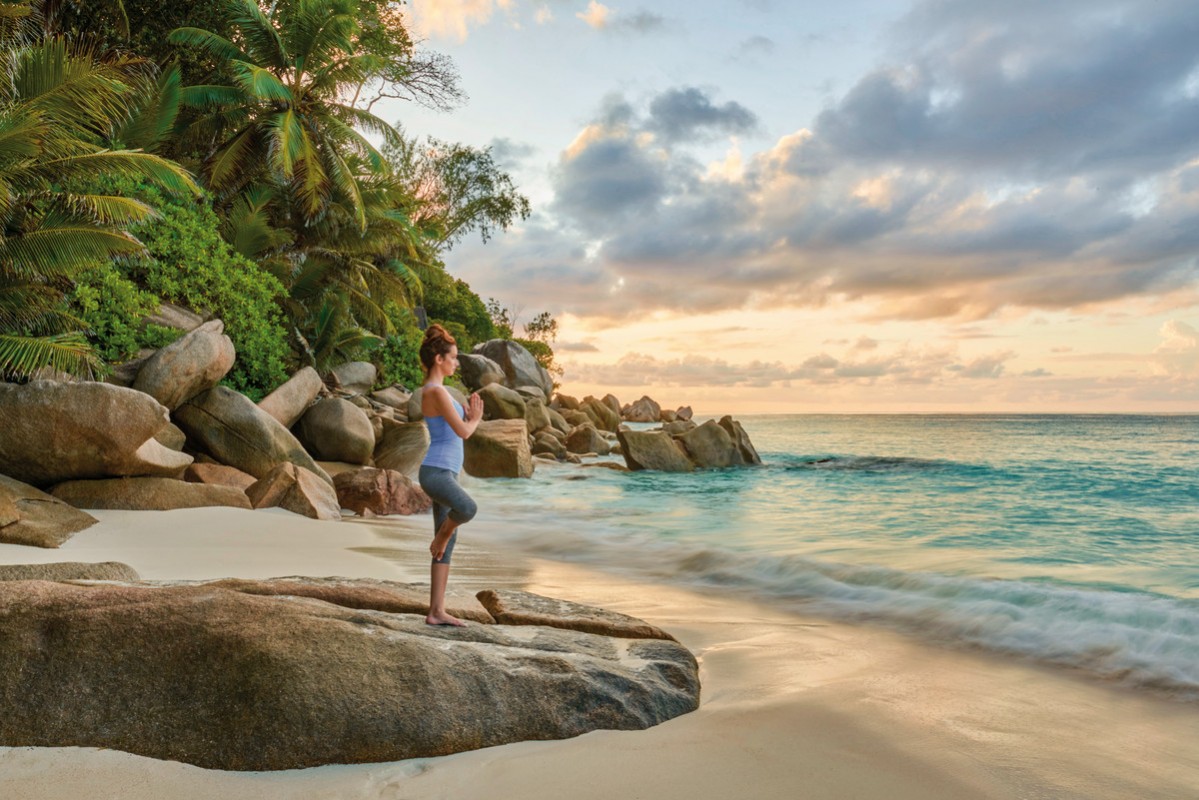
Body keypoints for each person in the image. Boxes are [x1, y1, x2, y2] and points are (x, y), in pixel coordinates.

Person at [417, 324, 484, 627]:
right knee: (466, 509)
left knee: (447, 546)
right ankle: (441, 536)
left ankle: (436, 611)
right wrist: (476, 421)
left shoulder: (440, 392)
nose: (457, 362)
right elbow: (463, 432)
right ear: (439, 360)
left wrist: (468, 415)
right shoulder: (435, 391)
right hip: (436, 473)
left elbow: (458, 425)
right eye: (454, 357)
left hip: (444, 472)